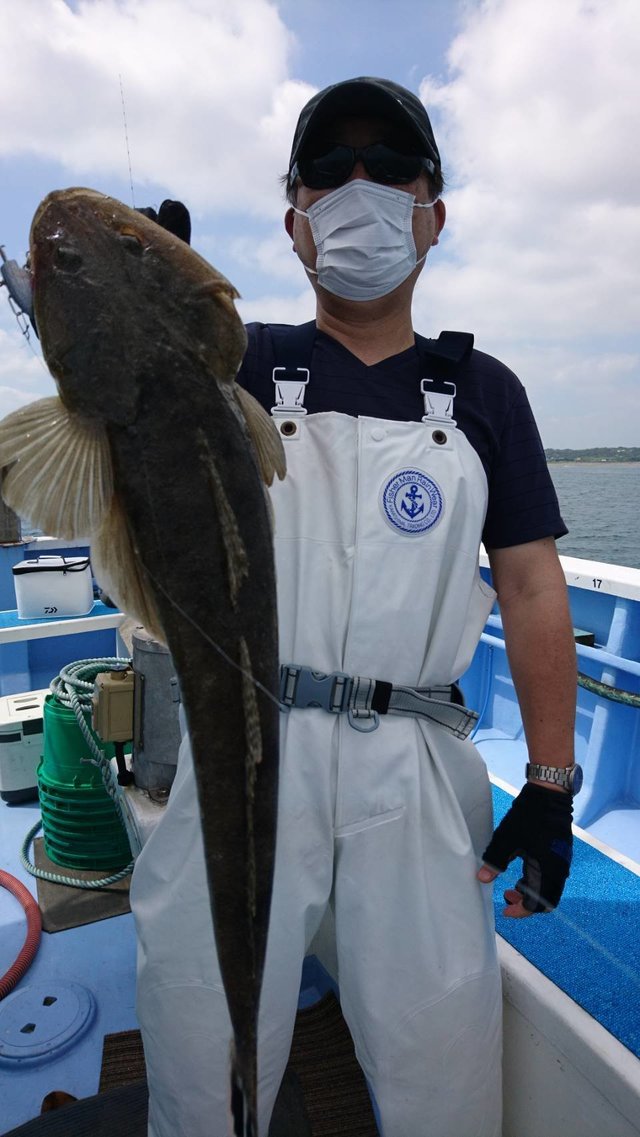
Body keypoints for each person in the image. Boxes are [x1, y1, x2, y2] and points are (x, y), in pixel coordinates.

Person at [130, 77, 579, 1137]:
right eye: (329, 170)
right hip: (241, 744)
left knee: (445, 1070)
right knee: (203, 1061)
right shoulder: (232, 364)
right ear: (293, 223)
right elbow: (118, 450)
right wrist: (153, 333)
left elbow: (528, 583)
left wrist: (552, 785)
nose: (358, 186)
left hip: (414, 767)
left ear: (433, 212)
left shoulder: (483, 394)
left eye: (391, 166)